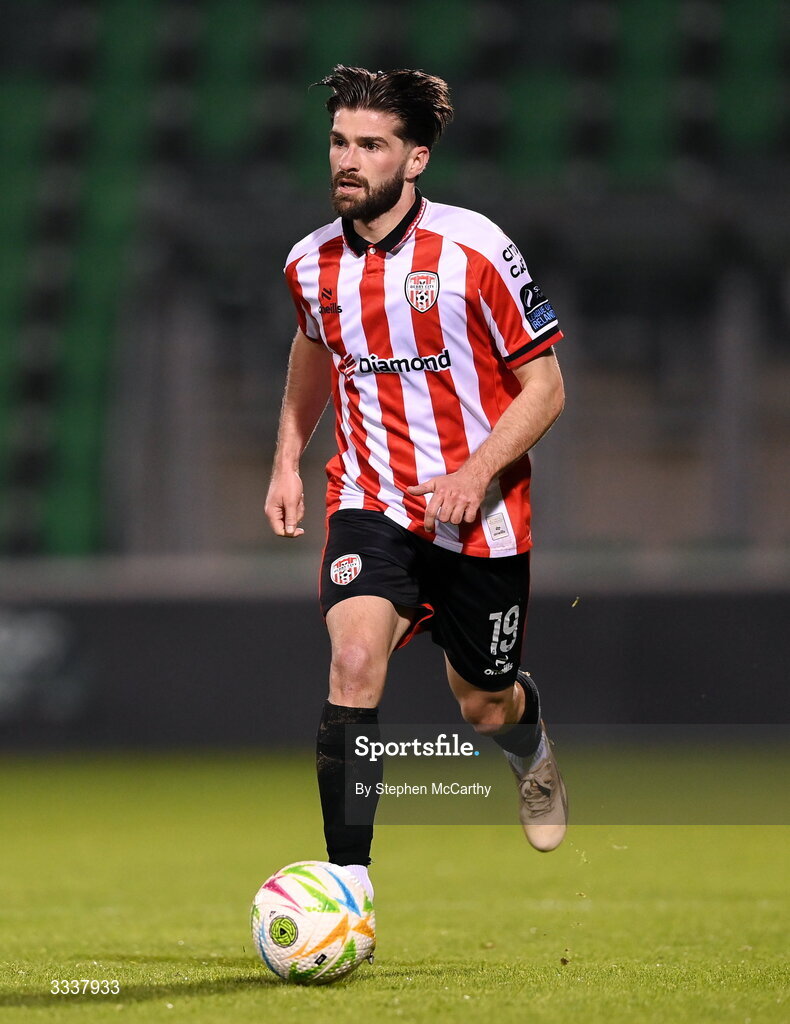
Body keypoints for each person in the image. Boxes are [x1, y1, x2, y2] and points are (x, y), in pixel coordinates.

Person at [265, 65, 568, 902]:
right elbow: (314, 349)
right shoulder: (310, 264)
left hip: (482, 517)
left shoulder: (475, 249)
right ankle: (348, 888)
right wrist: (288, 455)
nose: (348, 161)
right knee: (355, 659)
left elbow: (547, 386)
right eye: (339, 143)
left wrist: (475, 470)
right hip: (370, 502)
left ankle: (531, 750)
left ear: (417, 157)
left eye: (372, 144)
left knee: (484, 704)